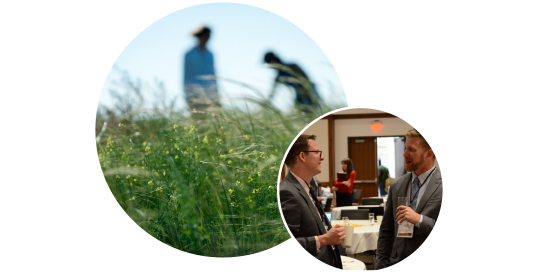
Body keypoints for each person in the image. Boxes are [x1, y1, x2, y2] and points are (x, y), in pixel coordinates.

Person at [374, 129, 443, 270]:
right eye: (405, 148)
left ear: (429, 153)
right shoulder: (396, 185)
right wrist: (380, 265)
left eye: (411, 149)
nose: (405, 154)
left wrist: (419, 220)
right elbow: (386, 231)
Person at [280, 135, 345, 269]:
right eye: (317, 152)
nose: (322, 157)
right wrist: (324, 239)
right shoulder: (287, 192)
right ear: (302, 156)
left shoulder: (305, 188)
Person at [183, 25, 219, 112]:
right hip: (194, 93)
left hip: (210, 93)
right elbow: (187, 75)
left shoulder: (210, 54)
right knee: (198, 118)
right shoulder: (189, 54)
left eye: (209, 36)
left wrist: (216, 93)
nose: (208, 38)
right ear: (200, 36)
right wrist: (189, 95)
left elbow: (213, 74)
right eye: (206, 35)